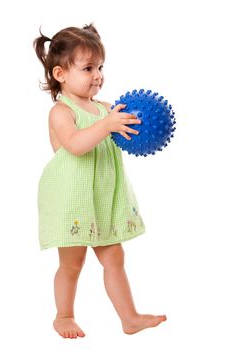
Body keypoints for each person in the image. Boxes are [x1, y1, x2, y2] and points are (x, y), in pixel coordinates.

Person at [34, 23, 166, 340]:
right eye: (88, 68)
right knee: (72, 263)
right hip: (72, 199)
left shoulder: (105, 108)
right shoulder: (61, 112)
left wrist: (135, 128)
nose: (98, 75)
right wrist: (107, 124)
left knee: (115, 257)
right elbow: (77, 144)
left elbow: (118, 135)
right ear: (60, 74)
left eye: (100, 67)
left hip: (103, 198)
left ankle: (129, 317)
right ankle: (63, 314)